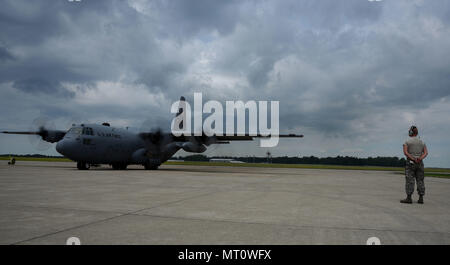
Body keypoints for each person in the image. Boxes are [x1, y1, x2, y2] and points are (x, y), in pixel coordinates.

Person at [401, 125, 428, 204]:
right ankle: (421, 198)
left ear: (411, 132)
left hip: (410, 163)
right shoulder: (422, 142)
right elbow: (426, 152)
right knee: (420, 180)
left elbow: (405, 152)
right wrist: (420, 158)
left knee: (410, 180)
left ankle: (409, 198)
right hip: (420, 163)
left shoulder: (407, 141)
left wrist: (412, 158)